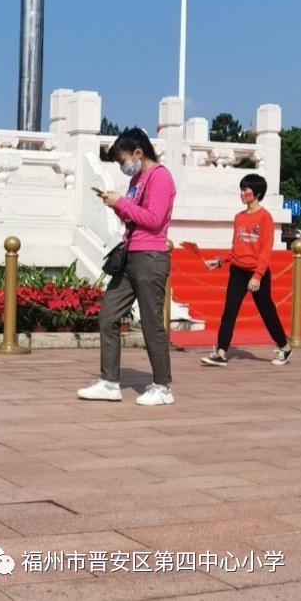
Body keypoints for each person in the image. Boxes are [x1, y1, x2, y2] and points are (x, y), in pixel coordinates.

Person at [78, 127, 177, 407]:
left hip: (151, 256)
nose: (123, 166)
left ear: (138, 152)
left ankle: (162, 386)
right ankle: (109, 382)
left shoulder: (160, 177)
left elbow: (155, 220)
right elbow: (135, 217)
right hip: (130, 255)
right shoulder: (138, 179)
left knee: (150, 323)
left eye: (123, 161)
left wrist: (121, 202)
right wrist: (117, 206)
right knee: (108, 315)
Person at [201, 174, 291, 368]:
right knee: (229, 311)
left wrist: (258, 275)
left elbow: (266, 250)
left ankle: (284, 346)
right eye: (241, 190)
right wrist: (218, 261)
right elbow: (236, 249)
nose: (242, 194)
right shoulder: (239, 218)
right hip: (237, 271)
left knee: (266, 311)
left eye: (246, 191)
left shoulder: (265, 218)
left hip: (257, 273)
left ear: (257, 193)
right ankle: (222, 352)